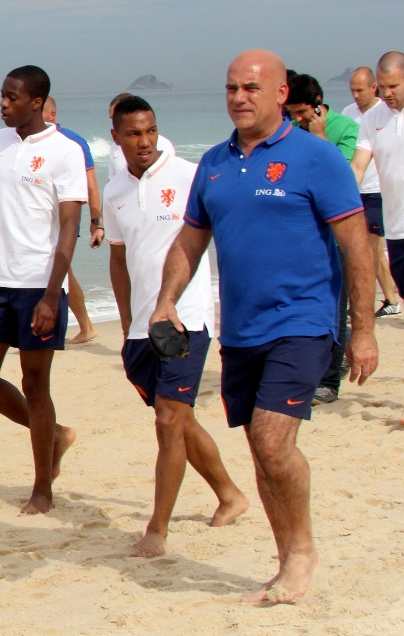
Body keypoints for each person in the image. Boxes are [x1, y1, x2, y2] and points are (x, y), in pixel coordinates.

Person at [150, 50, 377, 604]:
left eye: (251, 87)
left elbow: (355, 245)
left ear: (280, 94)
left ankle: (302, 552)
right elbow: (190, 240)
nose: (239, 98)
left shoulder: (316, 158)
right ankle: (284, 559)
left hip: (303, 321)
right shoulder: (214, 163)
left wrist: (364, 330)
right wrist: (165, 301)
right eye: (231, 88)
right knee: (259, 450)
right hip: (241, 330)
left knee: (274, 443)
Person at [105, 96, 248, 558]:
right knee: (179, 419)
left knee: (169, 419)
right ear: (116, 138)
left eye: (150, 130)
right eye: (133, 134)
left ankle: (157, 528)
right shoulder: (114, 190)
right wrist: (126, 324)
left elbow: (227, 233)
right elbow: (120, 260)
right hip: (141, 327)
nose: (144, 141)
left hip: (187, 318)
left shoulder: (189, 175)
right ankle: (230, 494)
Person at [0, 65, 85, 515]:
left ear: (36, 103)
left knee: (35, 386)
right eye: (2, 95)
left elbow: (69, 227)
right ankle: (56, 435)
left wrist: (53, 294)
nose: (3, 104)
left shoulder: (65, 151)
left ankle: (42, 488)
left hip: (38, 285)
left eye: (12, 98)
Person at [285, 73, 360, 405]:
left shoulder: (346, 128)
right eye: (293, 114)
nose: (298, 120)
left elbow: (342, 178)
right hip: (303, 235)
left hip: (337, 234)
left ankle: (329, 381)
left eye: (302, 113)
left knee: (336, 308)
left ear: (318, 105)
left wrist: (319, 136)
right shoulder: (291, 133)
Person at [351, 52, 404, 331]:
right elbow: (358, 166)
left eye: (393, 86)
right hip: (395, 227)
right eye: (382, 87)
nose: (387, 93)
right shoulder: (373, 118)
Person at [43, 96, 101, 344]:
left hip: (66, 215)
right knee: (60, 269)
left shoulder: (72, 141)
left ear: (52, 115)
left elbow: (91, 183)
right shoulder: (28, 140)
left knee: (61, 267)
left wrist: (96, 219)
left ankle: (82, 325)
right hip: (41, 217)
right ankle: (84, 325)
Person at [107, 93, 175, 182]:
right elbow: (112, 179)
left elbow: (171, 173)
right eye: (112, 118)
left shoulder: (162, 143)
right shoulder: (114, 147)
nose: (115, 121)